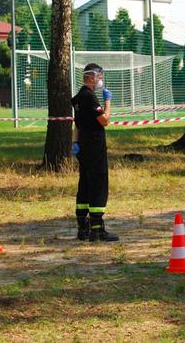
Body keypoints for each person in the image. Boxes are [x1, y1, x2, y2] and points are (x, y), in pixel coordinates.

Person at [70, 63, 119, 242]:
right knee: (98, 184)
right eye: (100, 77)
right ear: (91, 77)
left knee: (84, 184)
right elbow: (104, 120)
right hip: (94, 147)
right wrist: (108, 101)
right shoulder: (90, 98)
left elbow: (77, 125)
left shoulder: (77, 99)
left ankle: (82, 227)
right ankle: (97, 230)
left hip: (82, 147)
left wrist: (74, 142)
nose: (101, 81)